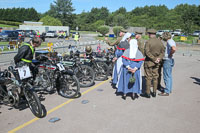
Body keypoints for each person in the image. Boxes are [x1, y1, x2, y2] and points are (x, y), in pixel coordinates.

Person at [141, 29, 165, 98]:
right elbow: (163, 52)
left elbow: (147, 52)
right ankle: (154, 92)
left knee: (148, 77)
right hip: (157, 62)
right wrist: (158, 58)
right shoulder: (160, 42)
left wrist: (154, 59)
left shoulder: (148, 42)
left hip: (149, 61)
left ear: (149, 34)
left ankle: (148, 93)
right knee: (155, 77)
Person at [158, 32, 176, 96]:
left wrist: (170, 54)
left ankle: (167, 91)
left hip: (167, 60)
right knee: (169, 75)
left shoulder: (169, 41)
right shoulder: (172, 40)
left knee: (166, 76)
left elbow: (173, 48)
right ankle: (169, 89)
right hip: (170, 60)